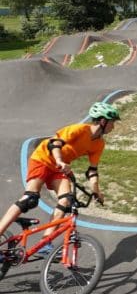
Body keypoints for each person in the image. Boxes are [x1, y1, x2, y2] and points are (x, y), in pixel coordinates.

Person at [0, 101, 120, 256]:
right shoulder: (79, 129)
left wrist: (97, 191)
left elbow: (92, 170)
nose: (113, 127)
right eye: (112, 123)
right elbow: (54, 143)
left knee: (66, 200)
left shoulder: (99, 144)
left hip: (59, 168)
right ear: (103, 121)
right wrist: (59, 160)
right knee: (29, 199)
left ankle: (45, 242)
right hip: (43, 159)